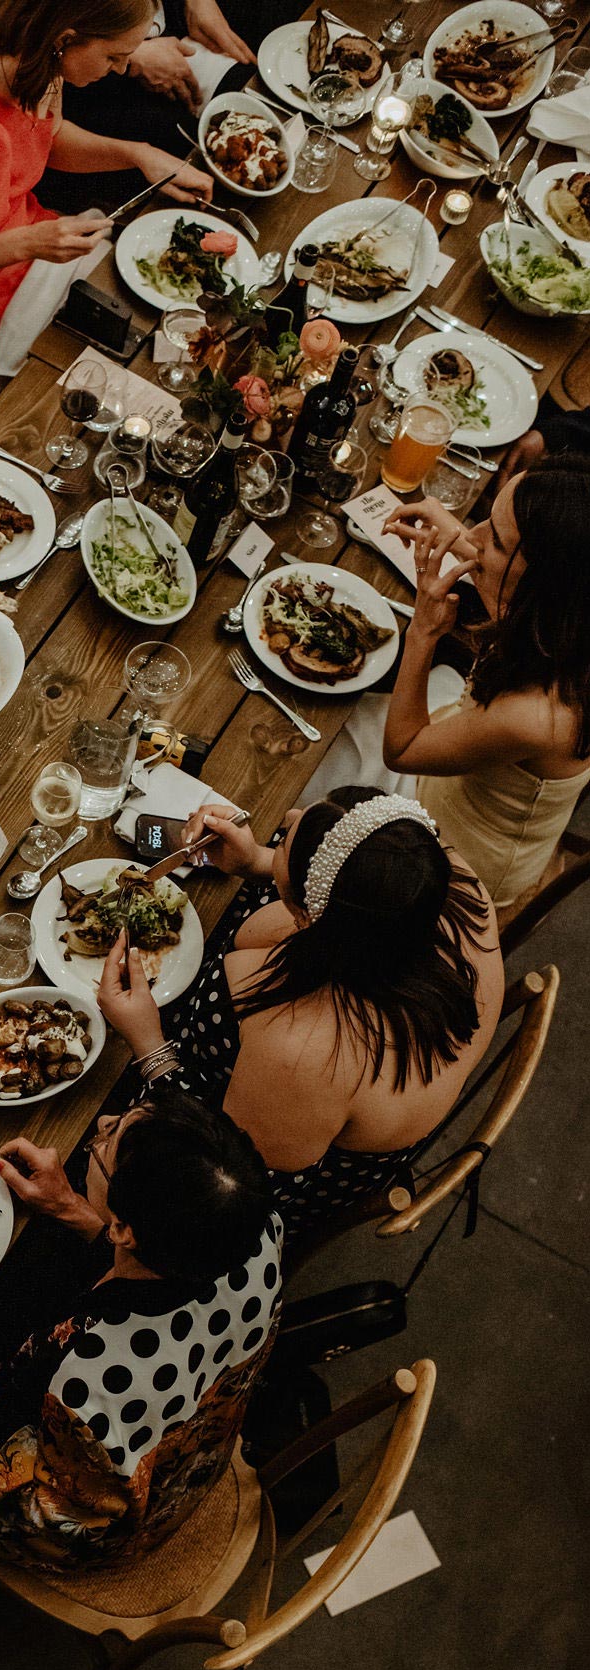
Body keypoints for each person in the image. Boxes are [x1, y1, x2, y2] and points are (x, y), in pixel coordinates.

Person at [97, 789, 503, 1243]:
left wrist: (149, 1043)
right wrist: (261, 861)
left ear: (311, 918)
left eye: (285, 838)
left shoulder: (306, 1049)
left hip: (245, 1185)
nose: (286, 815)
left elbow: (216, 1172)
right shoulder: (438, 883)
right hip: (299, 1101)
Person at [0, 1093, 282, 1572]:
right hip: (188, 1432)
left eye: (107, 1142)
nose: (101, 1123)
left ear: (124, 1231)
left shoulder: (91, 1378)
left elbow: (43, 1515)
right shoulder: (253, 1225)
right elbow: (161, 1266)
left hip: (95, 1525)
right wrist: (70, 1207)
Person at [0, 0, 213, 403]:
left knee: (173, 320)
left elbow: (44, 139)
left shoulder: (37, 50)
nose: (122, 70)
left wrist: (142, 156)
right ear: (67, 39)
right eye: (113, 57)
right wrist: (31, 243)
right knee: (128, 389)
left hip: (32, 240)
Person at [380, 456, 590, 911]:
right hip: (467, 750)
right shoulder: (570, 623)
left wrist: (424, 631)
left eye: (492, 538)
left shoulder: (534, 716)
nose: (471, 537)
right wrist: (458, 536)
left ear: (543, 581)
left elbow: (401, 751)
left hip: (453, 854)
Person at [38, 0, 257, 215]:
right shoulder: (48, 72)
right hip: (103, 63)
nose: (121, 68)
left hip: (142, 26)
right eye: (114, 59)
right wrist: (133, 55)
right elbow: (48, 139)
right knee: (194, 156)